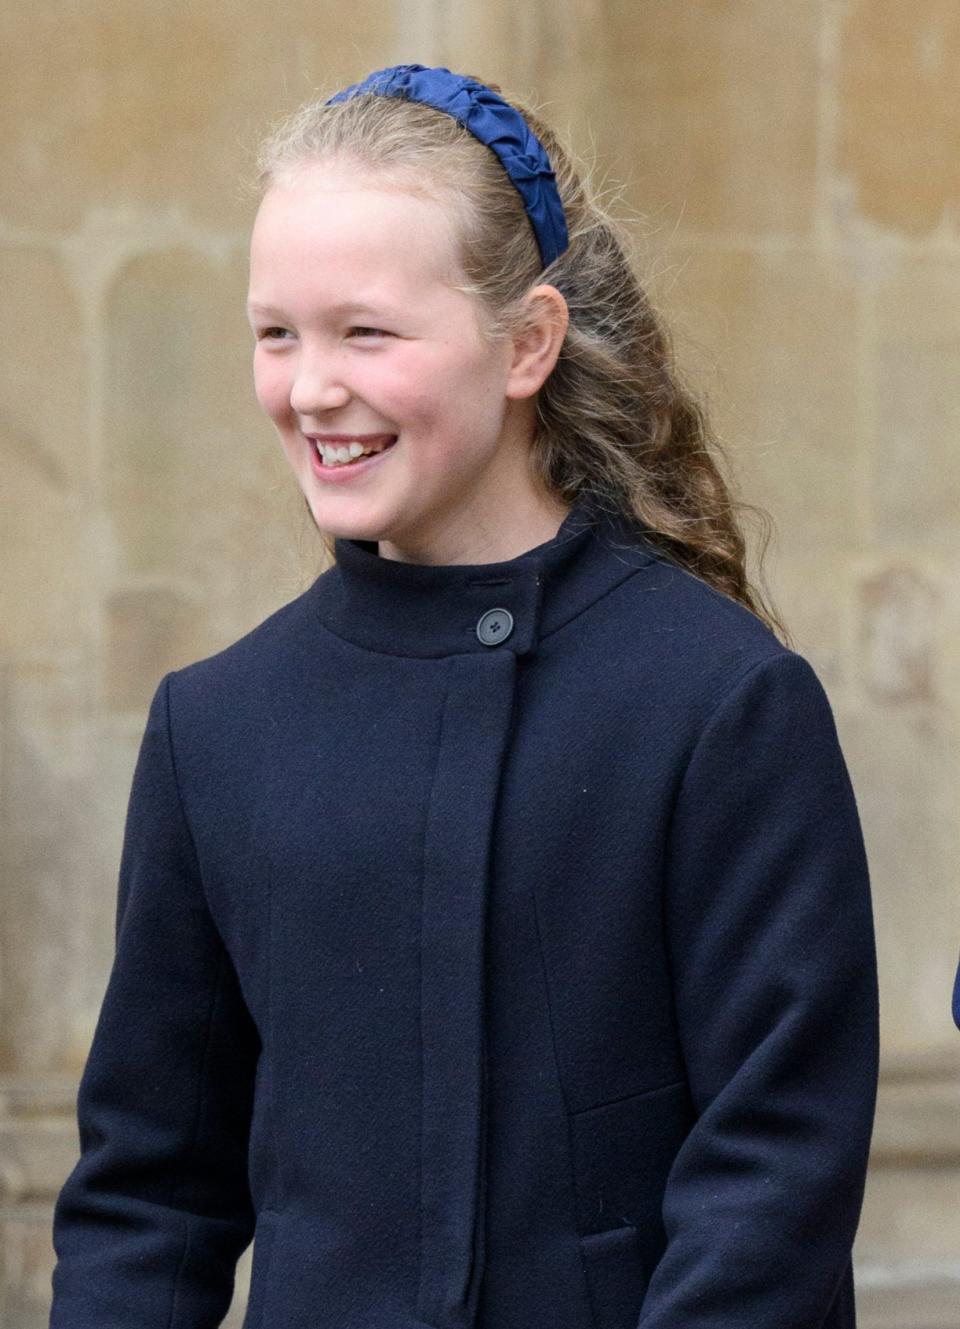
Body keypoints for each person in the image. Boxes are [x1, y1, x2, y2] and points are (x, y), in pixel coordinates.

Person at [48, 64, 880, 1329]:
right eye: (277, 332)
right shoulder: (215, 725)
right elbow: (149, 1195)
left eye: (366, 331)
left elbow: (773, 1178)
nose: (310, 386)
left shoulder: (721, 703)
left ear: (528, 343)